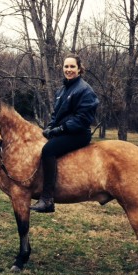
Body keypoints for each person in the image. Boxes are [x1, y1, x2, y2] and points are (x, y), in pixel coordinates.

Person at [30, 53, 99, 213]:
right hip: (64, 131)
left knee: (48, 150)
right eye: (66, 66)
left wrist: (60, 129)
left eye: (72, 66)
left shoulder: (85, 90)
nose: (69, 69)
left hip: (78, 134)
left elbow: (83, 119)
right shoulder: (62, 89)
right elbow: (56, 114)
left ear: (79, 69)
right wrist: (50, 127)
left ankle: (47, 199)